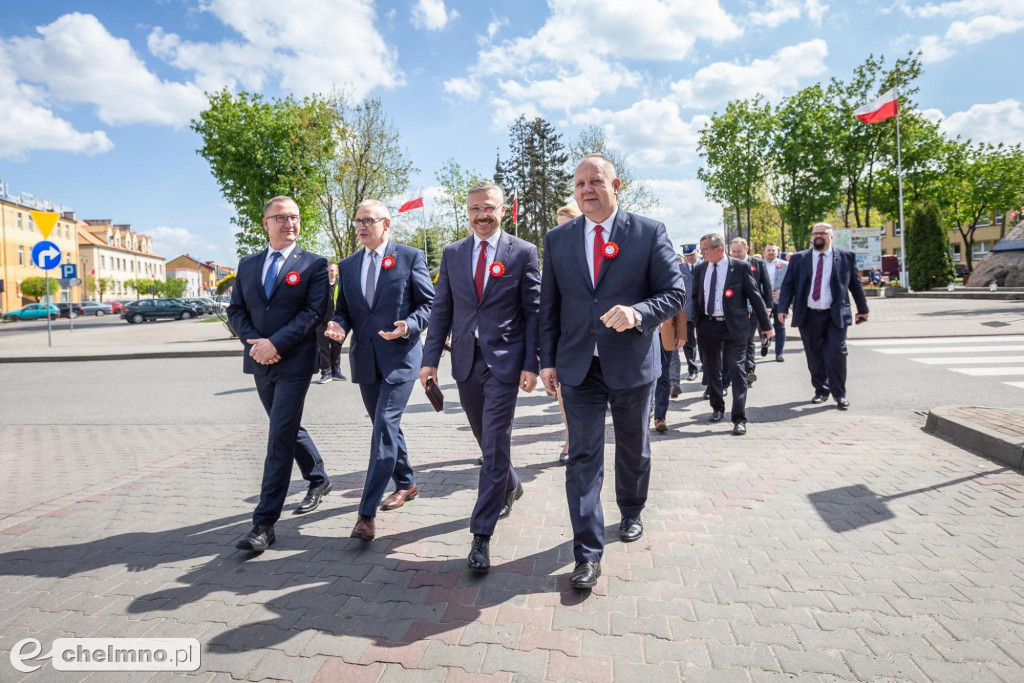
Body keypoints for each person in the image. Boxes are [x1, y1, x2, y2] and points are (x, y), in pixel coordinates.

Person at [540, 154, 684, 590]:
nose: (586, 189)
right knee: (582, 458)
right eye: (580, 183)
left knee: (633, 447)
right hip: (578, 367)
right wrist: (547, 360)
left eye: (595, 181)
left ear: (615, 184)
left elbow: (675, 293)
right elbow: (550, 305)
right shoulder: (558, 239)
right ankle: (586, 553)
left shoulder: (647, 232)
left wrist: (639, 313)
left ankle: (632, 509)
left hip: (632, 365)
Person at [421, 181, 540, 573]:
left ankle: (481, 535)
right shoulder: (454, 253)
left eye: (488, 208)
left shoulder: (522, 253)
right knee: (484, 437)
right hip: (466, 364)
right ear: (467, 212)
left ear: (501, 210)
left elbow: (533, 313)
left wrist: (532, 364)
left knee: (493, 443)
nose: (481, 215)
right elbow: (441, 310)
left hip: (505, 364)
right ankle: (510, 483)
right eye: (474, 209)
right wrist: (429, 360)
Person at [227, 196, 332, 553]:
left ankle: (264, 523)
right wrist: (252, 341)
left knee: (278, 436)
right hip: (259, 358)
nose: (289, 223)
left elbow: (314, 312)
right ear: (265, 223)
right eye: (281, 217)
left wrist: (276, 344)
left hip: (294, 360)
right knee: (284, 425)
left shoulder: (314, 264)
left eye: (294, 217)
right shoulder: (248, 264)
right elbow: (236, 310)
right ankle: (318, 477)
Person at [324, 200, 434, 540]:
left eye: (368, 220)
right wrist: (339, 325)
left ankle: (365, 514)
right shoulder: (348, 264)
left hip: (401, 358)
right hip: (366, 359)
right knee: (386, 426)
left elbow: (429, 303)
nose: (360, 226)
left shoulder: (409, 256)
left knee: (384, 426)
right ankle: (407, 482)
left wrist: (410, 326)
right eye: (357, 220)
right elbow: (344, 310)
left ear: (386, 224)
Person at [778, 223, 869, 410]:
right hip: (809, 315)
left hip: (835, 315)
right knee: (814, 355)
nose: (818, 236)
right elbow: (788, 285)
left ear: (831, 237)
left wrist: (863, 308)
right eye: (815, 234)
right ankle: (821, 390)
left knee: (836, 352)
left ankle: (839, 393)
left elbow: (855, 284)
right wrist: (783, 308)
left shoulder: (845, 257)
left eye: (823, 233)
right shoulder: (799, 259)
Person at [691, 232, 772, 436]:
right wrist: (696, 322)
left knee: (737, 369)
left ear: (719, 249)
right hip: (708, 326)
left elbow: (755, 297)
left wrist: (766, 325)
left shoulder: (741, 267)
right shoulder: (701, 269)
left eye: (705, 249)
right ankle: (717, 407)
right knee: (712, 369)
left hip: (734, 326)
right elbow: (695, 297)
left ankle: (739, 417)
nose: (702, 254)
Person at [552, 205, 580, 464]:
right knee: (564, 395)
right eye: (558, 223)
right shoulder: (555, 251)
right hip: (566, 339)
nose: (561, 229)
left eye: (566, 223)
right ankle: (570, 439)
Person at [729, 237, 772, 386]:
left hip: (753, 309)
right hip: (735, 310)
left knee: (748, 339)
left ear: (746, 249)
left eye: (739, 251)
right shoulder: (729, 264)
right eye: (733, 251)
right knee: (738, 341)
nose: (735, 254)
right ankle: (738, 371)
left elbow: (766, 286)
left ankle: (749, 371)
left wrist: (768, 308)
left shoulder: (758, 263)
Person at [315, 262, 346, 383]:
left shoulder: (342, 285)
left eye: (333, 270)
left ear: (337, 271)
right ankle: (326, 373)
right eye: (328, 271)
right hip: (322, 322)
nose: (330, 273)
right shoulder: (320, 286)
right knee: (323, 348)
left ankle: (336, 371)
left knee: (337, 347)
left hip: (338, 323)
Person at [679, 246, 701, 382]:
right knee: (688, 343)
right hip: (686, 311)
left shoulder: (706, 266)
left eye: (692, 254)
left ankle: (707, 365)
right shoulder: (680, 269)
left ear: (697, 252)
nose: (690, 258)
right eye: (687, 255)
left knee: (706, 341)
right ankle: (692, 369)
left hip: (702, 311)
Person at [763, 244, 789, 362]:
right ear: (764, 252)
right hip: (763, 301)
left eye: (773, 250)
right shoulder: (758, 264)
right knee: (762, 325)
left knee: (780, 327)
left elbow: (791, 282)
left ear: (778, 252)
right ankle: (766, 342)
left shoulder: (786, 265)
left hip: (780, 301)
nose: (771, 252)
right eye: (768, 250)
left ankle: (779, 353)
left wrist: (783, 292)